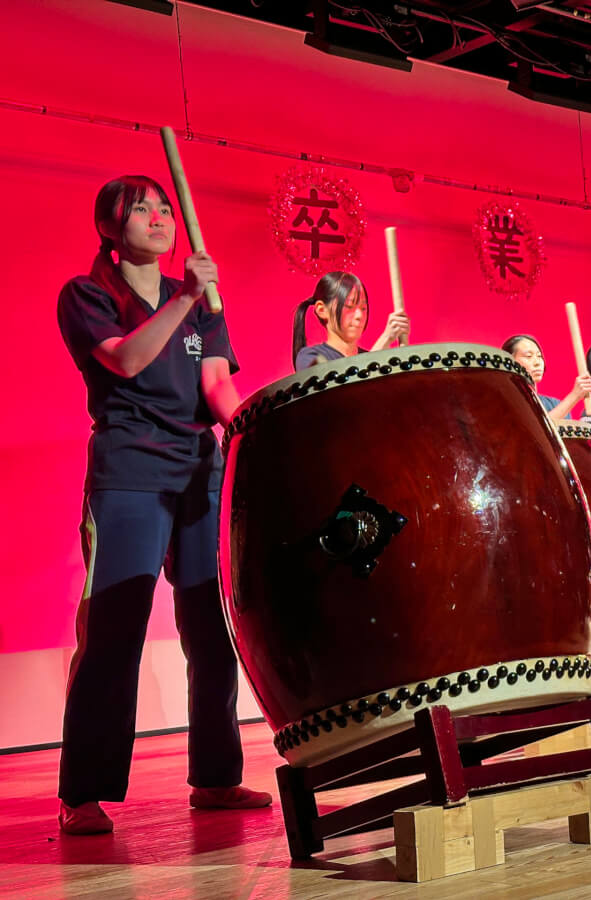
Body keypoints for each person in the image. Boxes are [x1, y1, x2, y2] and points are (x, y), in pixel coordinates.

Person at [55, 175, 271, 836]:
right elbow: (125, 359)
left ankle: (216, 777)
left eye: (164, 208)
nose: (157, 217)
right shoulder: (88, 294)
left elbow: (217, 388)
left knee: (212, 629)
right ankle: (83, 791)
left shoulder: (202, 305)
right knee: (114, 630)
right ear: (110, 228)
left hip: (199, 472)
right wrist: (185, 297)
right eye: (140, 208)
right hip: (129, 470)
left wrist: (259, 430)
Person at [292, 271, 409, 370]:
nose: (359, 315)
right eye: (349, 306)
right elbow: (350, 386)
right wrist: (386, 338)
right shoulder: (310, 357)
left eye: (363, 308)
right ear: (322, 310)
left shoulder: (372, 360)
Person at [502, 334, 591, 420]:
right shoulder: (505, 403)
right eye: (528, 356)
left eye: (539, 356)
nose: (537, 362)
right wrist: (574, 396)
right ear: (509, 361)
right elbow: (536, 429)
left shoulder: (555, 404)